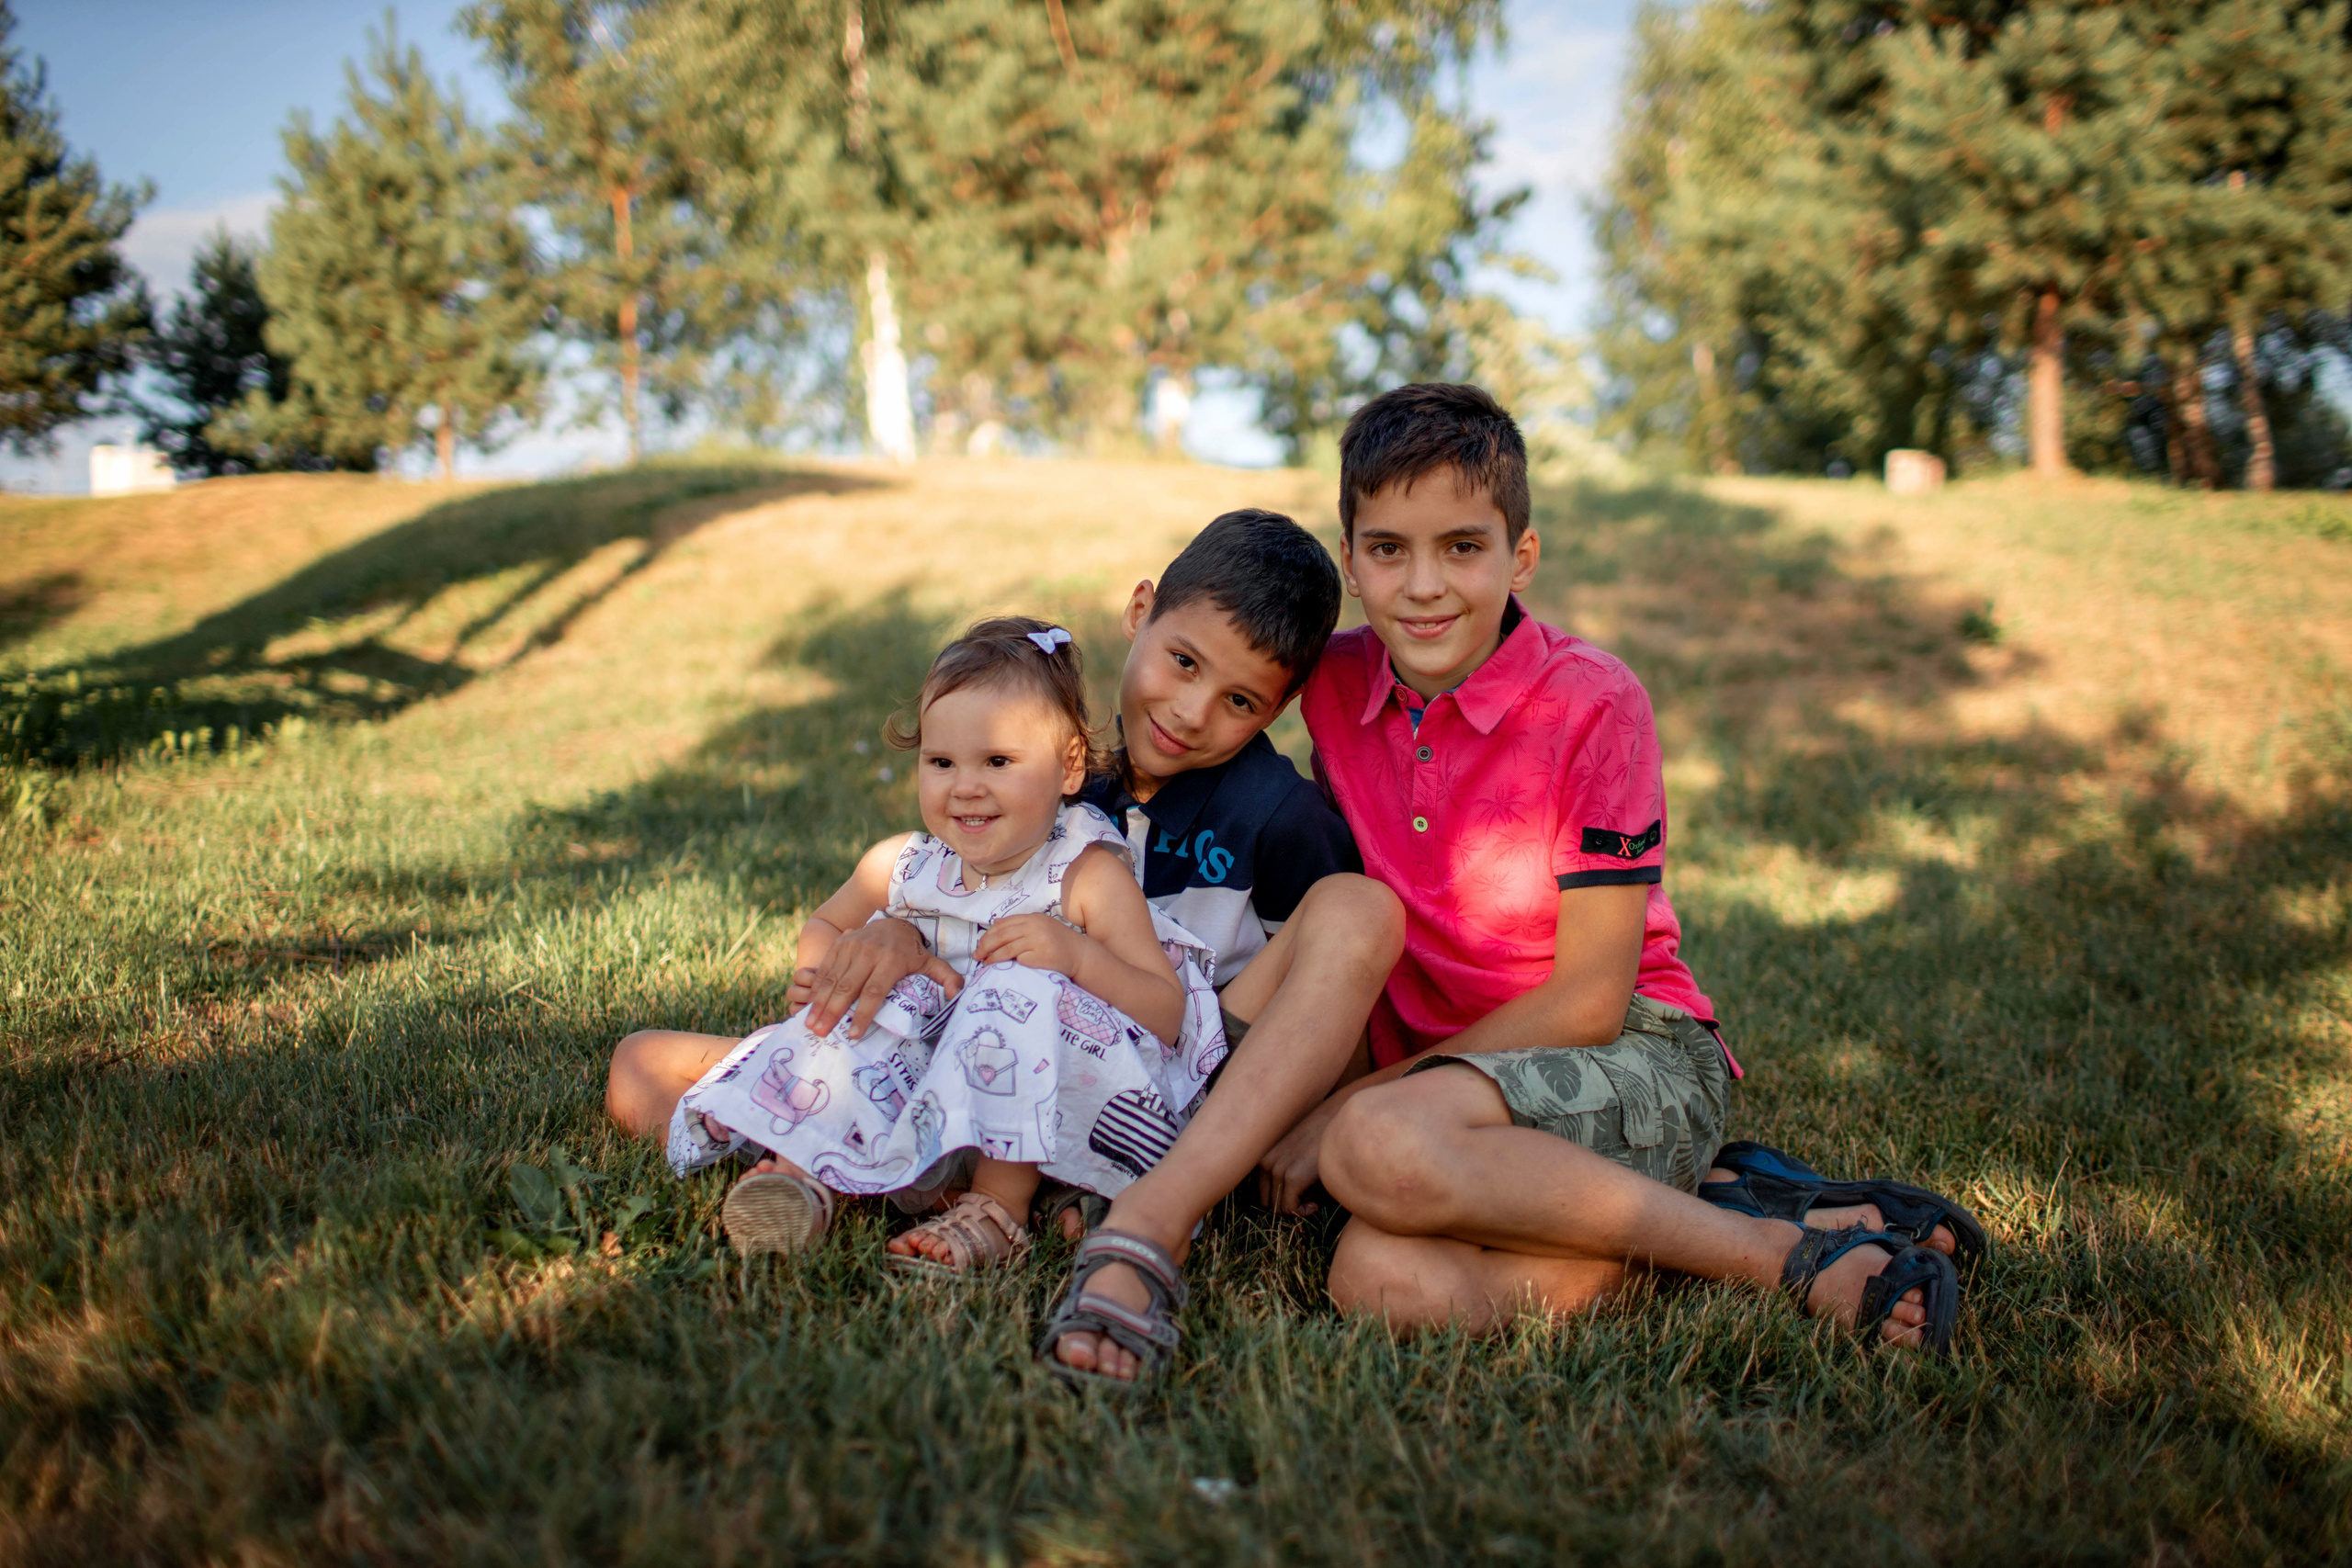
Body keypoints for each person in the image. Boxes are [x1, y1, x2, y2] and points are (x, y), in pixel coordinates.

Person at [1293, 382, 1981, 1352]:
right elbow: (1198, 673)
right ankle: (1744, 1212)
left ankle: (1789, 1262)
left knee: (1372, 1145)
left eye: (1462, 547)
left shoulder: (1591, 704)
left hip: (1631, 1052)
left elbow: (1589, 1003)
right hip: (1455, 1095)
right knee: (1377, 1277)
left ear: (1519, 555)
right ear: (1351, 565)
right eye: (1388, 550)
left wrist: (1353, 1101)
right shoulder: (1331, 683)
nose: (1424, 585)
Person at [650, 615, 1227, 1273]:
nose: (965, 786)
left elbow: (1165, 1009)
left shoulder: (1086, 874)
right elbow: (827, 924)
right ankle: (805, 1171)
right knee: (861, 993)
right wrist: (819, 975)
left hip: (1055, 1092)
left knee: (1015, 985)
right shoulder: (905, 865)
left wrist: (1075, 957)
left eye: (998, 761)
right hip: (934, 1080)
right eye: (941, 761)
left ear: (1069, 766)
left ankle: (997, 1208)